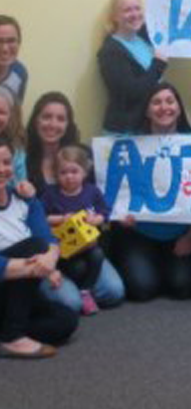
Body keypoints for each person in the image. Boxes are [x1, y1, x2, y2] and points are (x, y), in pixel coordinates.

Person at [26, 92, 125, 312]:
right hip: (47, 249)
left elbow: (97, 200)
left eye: (60, 118)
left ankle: (81, 288)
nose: (53, 124)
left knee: (114, 292)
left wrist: (96, 220)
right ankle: (67, 290)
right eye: (46, 117)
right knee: (70, 303)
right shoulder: (24, 160)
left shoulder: (81, 156)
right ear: (35, 120)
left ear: (68, 123)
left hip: (84, 246)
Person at [110, 83, 191, 301]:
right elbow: (113, 187)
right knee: (142, 290)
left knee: (182, 288)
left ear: (179, 108)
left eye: (170, 101)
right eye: (156, 102)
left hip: (181, 234)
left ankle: (163, 265)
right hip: (139, 232)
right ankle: (146, 262)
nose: (163, 107)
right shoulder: (128, 144)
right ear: (147, 110)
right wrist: (119, 215)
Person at [0, 136, 78, 358]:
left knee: (66, 320)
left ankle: (8, 328)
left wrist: (48, 263)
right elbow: (37, 246)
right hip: (10, 279)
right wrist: (34, 266)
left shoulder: (25, 200)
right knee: (32, 245)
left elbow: (49, 240)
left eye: (6, 162)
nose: (2, 169)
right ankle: (12, 337)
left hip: (19, 290)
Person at [42, 146, 110, 316]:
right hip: (63, 249)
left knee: (98, 255)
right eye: (63, 172)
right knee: (77, 268)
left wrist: (96, 219)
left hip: (89, 246)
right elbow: (40, 218)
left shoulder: (92, 191)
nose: (69, 176)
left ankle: (85, 291)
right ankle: (70, 284)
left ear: (84, 172)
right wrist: (60, 219)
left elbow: (105, 213)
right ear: (56, 175)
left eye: (74, 171)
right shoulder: (51, 194)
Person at [97, 0, 167, 134]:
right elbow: (131, 93)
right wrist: (158, 65)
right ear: (115, 17)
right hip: (124, 132)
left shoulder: (143, 37)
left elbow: (165, 21)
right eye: (127, 10)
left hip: (147, 128)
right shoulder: (110, 51)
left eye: (137, 8)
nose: (135, 14)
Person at [0, 15, 27, 103]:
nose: (4, 49)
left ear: (19, 43)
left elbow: (15, 113)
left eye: (11, 41)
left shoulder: (20, 73)